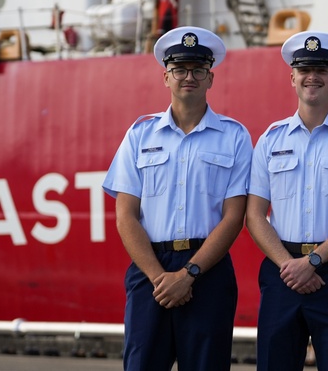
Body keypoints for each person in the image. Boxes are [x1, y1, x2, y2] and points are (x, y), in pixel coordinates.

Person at [102, 26, 253, 371]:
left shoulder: (234, 137)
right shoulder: (140, 135)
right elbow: (126, 215)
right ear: (165, 77)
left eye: (198, 70)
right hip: (149, 272)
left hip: (207, 272)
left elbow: (234, 217)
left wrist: (189, 274)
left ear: (210, 78)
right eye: (180, 70)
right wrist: (160, 277)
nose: (189, 77)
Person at [245, 31, 328, 371]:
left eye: (322, 69)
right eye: (305, 69)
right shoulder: (270, 140)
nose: (312, 77)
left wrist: (314, 261)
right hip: (281, 270)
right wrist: (289, 266)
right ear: (292, 77)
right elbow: (256, 215)